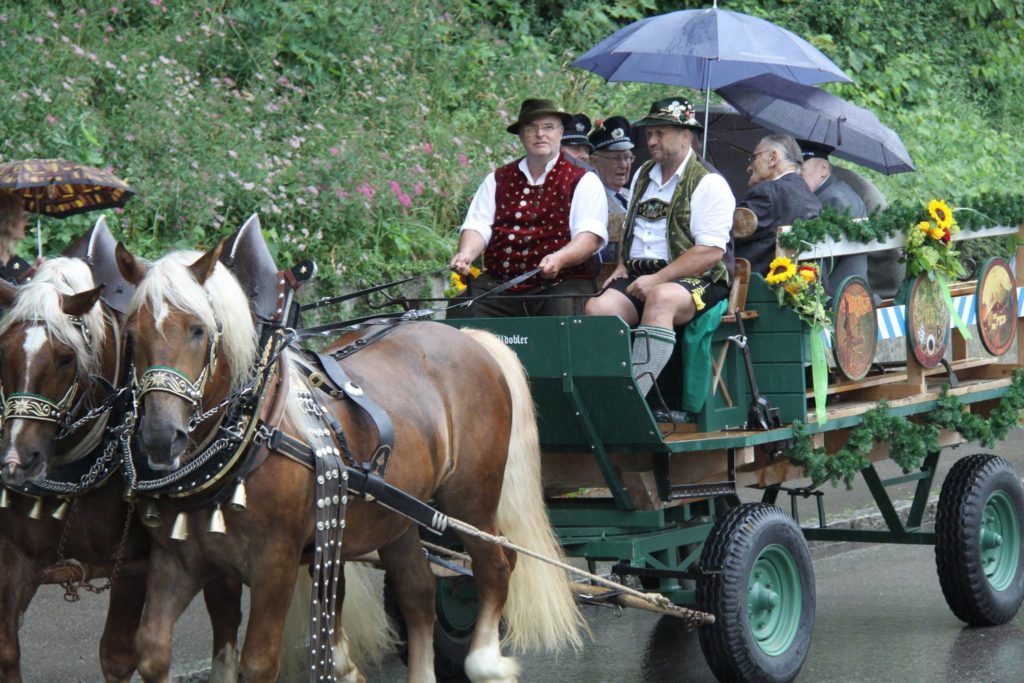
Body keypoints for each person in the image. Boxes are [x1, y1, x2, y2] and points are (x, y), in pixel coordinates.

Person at [585, 97, 735, 399]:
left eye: (660, 133)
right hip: (643, 274)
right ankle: (603, 396)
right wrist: (622, 264)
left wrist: (658, 279)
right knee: (597, 308)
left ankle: (637, 399)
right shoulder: (644, 174)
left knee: (661, 298)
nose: (651, 140)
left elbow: (710, 252)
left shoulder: (709, 182)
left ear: (685, 135)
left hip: (701, 279)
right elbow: (634, 229)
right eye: (649, 133)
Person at [448, 98, 608, 317]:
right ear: (521, 135)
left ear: (560, 133)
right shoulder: (497, 179)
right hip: (501, 283)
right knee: (463, 310)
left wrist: (559, 259)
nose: (540, 134)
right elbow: (478, 225)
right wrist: (466, 254)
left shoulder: (583, 180)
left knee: (563, 314)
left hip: (561, 283)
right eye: (531, 128)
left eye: (548, 127)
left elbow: (588, 238)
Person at [734, 133, 822, 276]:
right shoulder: (813, 199)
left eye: (754, 157)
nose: (749, 168)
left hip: (752, 287)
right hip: (796, 286)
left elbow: (724, 235)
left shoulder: (767, 193)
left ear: (773, 158)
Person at [798, 140, 869, 296]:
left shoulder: (833, 200)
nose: (796, 179)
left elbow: (818, 264)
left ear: (823, 169)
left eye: (801, 172)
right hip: (850, 289)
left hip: (837, 297)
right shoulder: (837, 191)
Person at [588, 116, 635, 268]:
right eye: (616, 158)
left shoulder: (632, 194)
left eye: (627, 157)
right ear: (595, 161)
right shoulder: (591, 199)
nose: (623, 165)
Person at [0, 193, 34, 284]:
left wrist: (33, 273)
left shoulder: (10, 256)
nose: (26, 222)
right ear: (7, 219)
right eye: (23, 216)